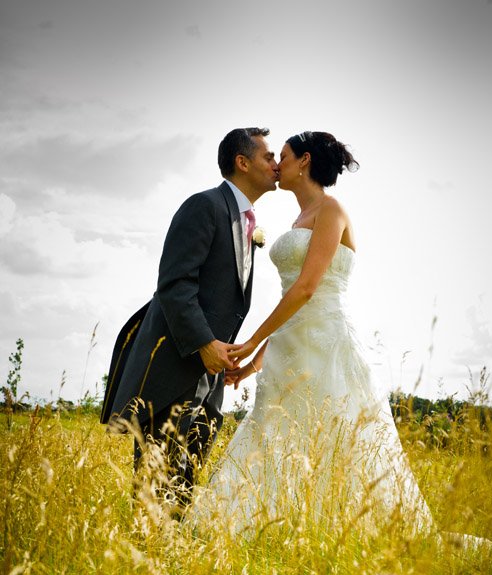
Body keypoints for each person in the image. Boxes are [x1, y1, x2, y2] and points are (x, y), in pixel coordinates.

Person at [186, 130, 433, 537]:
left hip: (328, 346)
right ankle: (276, 531)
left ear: (304, 161)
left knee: (335, 440)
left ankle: (343, 533)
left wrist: (251, 340)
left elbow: (306, 290)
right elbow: (293, 308)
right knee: (278, 437)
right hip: (291, 347)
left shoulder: (331, 210)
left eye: (282, 156)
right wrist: (254, 364)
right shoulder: (297, 220)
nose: (276, 165)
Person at [100, 127, 279, 508]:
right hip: (177, 364)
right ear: (242, 162)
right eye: (268, 156)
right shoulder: (204, 205)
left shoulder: (245, 221)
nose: (276, 164)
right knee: (156, 479)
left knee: (186, 480)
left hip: (210, 374)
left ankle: (174, 545)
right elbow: (175, 284)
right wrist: (203, 343)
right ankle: (146, 544)